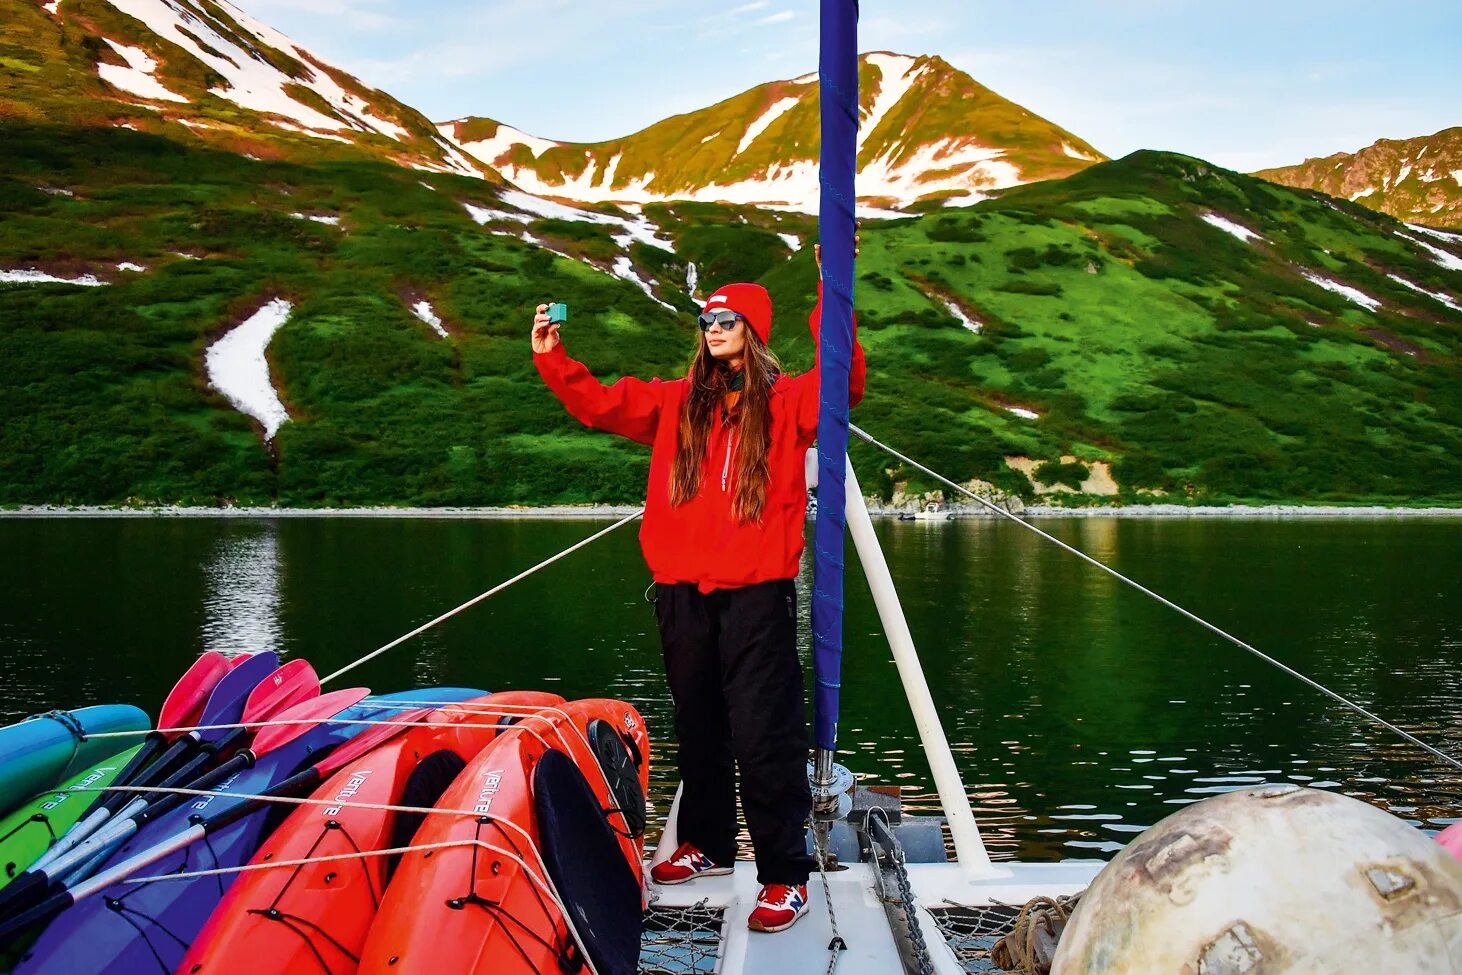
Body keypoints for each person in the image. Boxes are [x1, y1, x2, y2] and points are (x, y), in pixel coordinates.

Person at [531, 248, 865, 933]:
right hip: (681, 591)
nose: (712, 326)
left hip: (756, 593)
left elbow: (845, 380)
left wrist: (834, 288)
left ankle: (783, 873)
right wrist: (552, 357)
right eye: (707, 317)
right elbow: (598, 404)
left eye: (726, 317)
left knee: (763, 733)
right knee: (700, 724)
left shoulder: (790, 400)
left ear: (754, 327)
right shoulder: (675, 401)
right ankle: (708, 845)